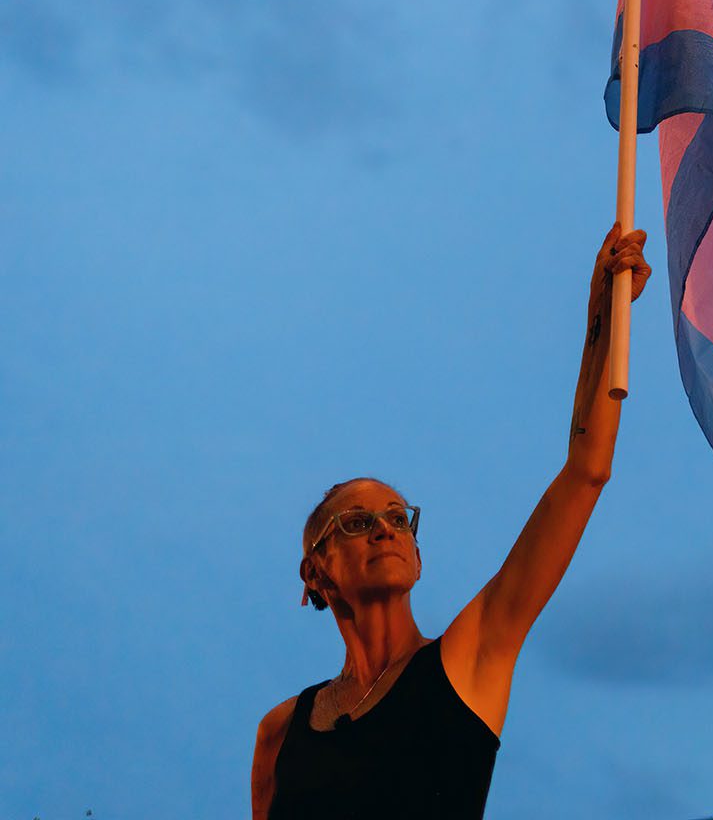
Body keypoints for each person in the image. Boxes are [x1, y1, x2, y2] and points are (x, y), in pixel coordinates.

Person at [250, 225, 651, 819]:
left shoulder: (469, 659)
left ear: (417, 554)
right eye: (357, 523)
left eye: (398, 518)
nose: (386, 529)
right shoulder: (281, 733)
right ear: (315, 571)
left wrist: (603, 317)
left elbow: (585, 472)